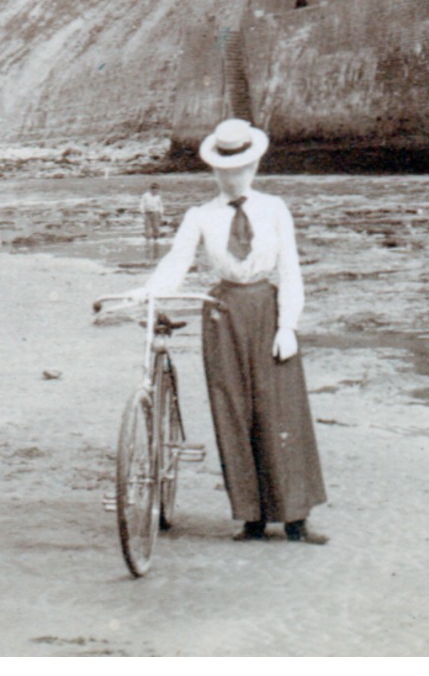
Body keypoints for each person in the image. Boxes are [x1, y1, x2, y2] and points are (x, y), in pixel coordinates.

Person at [138, 118, 328, 544]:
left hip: (266, 307)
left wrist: (288, 326)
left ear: (255, 166)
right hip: (223, 313)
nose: (233, 176)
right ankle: (252, 518)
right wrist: (148, 293)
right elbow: (176, 262)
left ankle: (297, 519)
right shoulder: (199, 216)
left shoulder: (275, 208)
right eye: (225, 169)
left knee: (282, 409)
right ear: (215, 170)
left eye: (241, 167)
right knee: (233, 411)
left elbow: (291, 270)